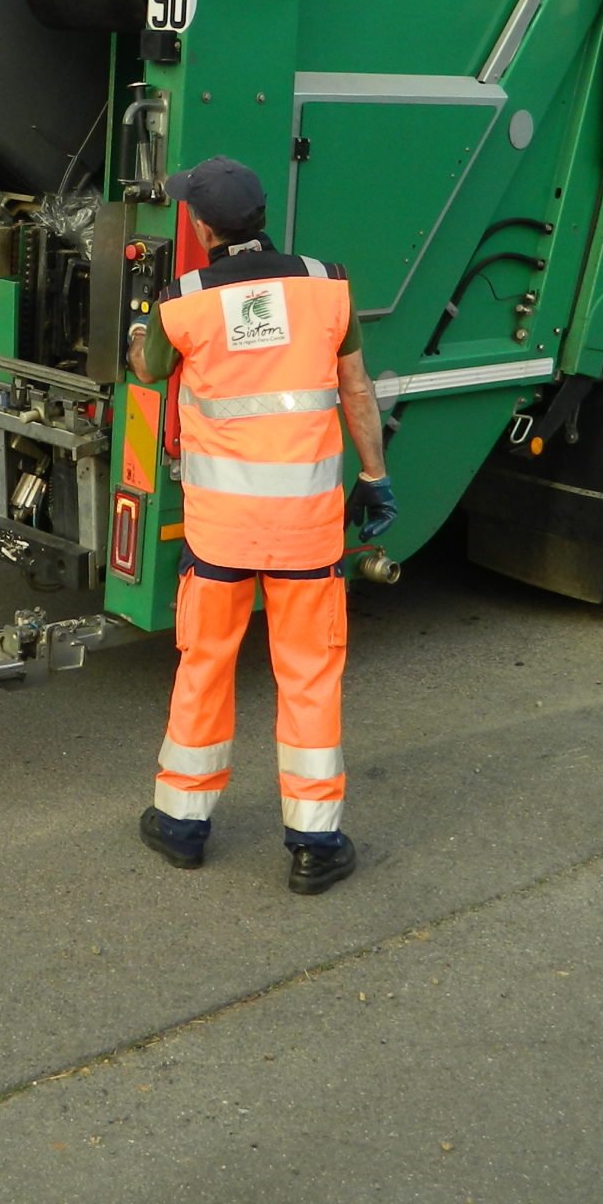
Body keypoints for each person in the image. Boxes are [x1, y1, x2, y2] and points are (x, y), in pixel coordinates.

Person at [127, 154, 398, 895]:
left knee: (205, 665)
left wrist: (138, 328)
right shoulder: (325, 284)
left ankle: (181, 826)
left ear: (201, 224)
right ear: (260, 216)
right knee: (309, 677)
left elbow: (146, 371)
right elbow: (356, 391)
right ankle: (315, 846)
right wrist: (374, 476)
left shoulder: (182, 300)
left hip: (219, 535)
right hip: (309, 535)